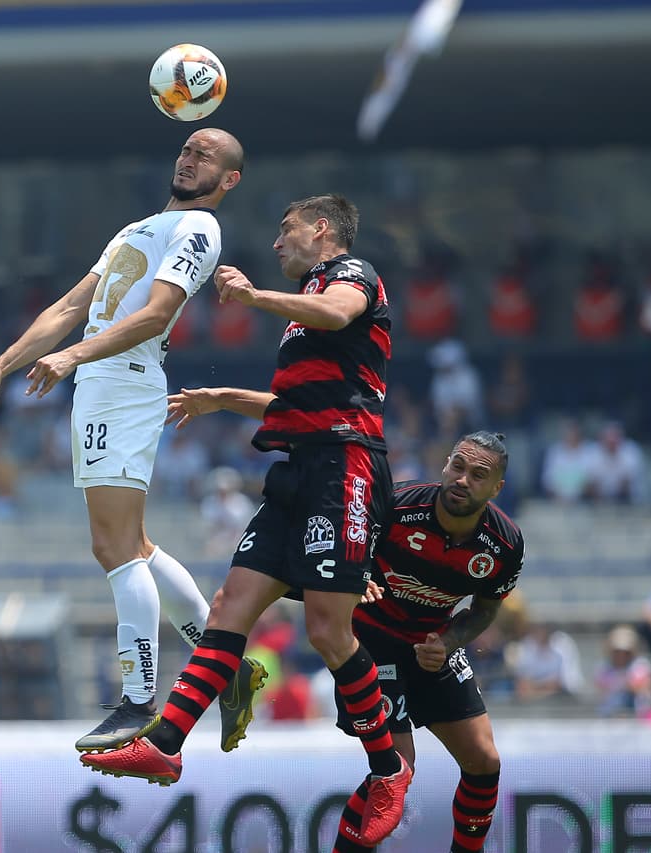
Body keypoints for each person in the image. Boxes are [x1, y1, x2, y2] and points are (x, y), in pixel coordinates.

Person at [83, 194, 411, 846]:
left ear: (321, 229)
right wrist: (222, 398)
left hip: (345, 467)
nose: (275, 242)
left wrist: (255, 296)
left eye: (285, 229)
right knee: (232, 602)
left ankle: (386, 769)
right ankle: (168, 743)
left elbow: (336, 314)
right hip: (296, 469)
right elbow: (298, 401)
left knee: (326, 629)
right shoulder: (305, 307)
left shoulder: (352, 277)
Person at [0, 129, 266, 752]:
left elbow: (156, 315)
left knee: (114, 547)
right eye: (186, 149)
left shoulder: (199, 231)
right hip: (101, 385)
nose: (189, 158)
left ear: (228, 180)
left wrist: (73, 356)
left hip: (123, 383)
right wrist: (4, 364)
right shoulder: (135, 230)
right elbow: (70, 306)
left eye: (206, 155)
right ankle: (228, 667)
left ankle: (138, 701)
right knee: (134, 543)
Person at [332, 432, 523, 853]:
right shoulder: (398, 506)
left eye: (478, 475)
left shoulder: (505, 545)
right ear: (445, 464)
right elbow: (341, 558)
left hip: (431, 646)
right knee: (397, 770)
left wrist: (450, 642)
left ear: (496, 489)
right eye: (458, 466)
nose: (462, 480)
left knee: (484, 761)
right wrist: (354, 578)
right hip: (370, 643)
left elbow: (486, 611)